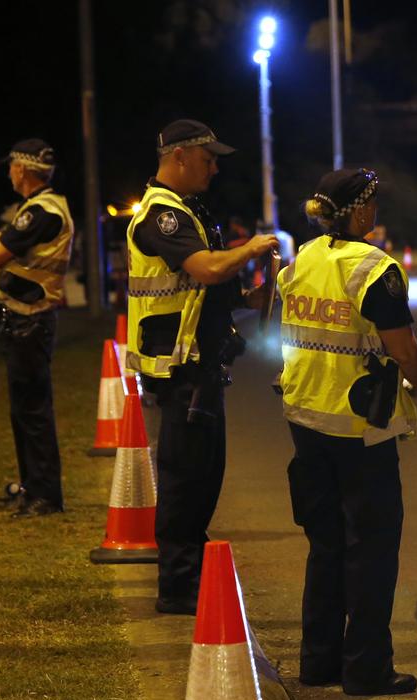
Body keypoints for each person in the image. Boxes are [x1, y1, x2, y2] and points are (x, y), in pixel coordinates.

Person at [278, 168, 417, 696]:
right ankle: (366, 668)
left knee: (325, 545)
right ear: (361, 212)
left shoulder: (304, 258)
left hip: (305, 418)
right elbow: (403, 349)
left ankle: (318, 661)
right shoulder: (374, 268)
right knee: (371, 548)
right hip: (359, 427)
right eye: (373, 204)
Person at [125, 120, 279, 615]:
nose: (214, 166)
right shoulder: (162, 216)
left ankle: (189, 573)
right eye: (208, 157)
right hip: (180, 368)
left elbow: (207, 290)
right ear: (180, 157)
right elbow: (207, 269)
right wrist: (249, 248)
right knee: (184, 477)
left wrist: (252, 298)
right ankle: (178, 585)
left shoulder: (189, 210)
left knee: (205, 475)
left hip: (201, 365)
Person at [0, 139, 73, 517]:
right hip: (24, 319)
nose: (8, 173)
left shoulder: (40, 212)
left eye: (11, 167)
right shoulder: (42, 209)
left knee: (32, 412)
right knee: (24, 411)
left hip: (30, 321)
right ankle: (34, 486)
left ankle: (44, 495)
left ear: (23, 169)